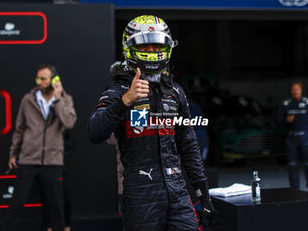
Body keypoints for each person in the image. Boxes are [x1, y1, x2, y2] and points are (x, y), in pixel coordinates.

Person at [87, 15, 217, 231]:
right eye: (145, 46)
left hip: (177, 191)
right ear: (130, 47)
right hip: (140, 193)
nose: (152, 51)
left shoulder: (175, 92)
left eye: (157, 45)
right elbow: (94, 133)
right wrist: (125, 101)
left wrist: (203, 195)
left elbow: (189, 147)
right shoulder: (118, 91)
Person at [0, 64, 77, 231]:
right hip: (29, 158)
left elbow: (69, 122)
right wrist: (13, 154)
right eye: (38, 78)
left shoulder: (65, 99)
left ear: (54, 80)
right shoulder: (28, 99)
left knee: (56, 206)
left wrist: (57, 100)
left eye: (43, 78)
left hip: (52, 161)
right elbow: (19, 129)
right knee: (16, 203)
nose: (39, 81)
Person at [279, 81, 308, 193]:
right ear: (291, 91)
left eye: (297, 89)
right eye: (293, 89)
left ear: (301, 90)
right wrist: (286, 120)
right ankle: (294, 189)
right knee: (292, 165)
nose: (295, 91)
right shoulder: (286, 104)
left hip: (305, 138)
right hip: (291, 138)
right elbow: (278, 122)